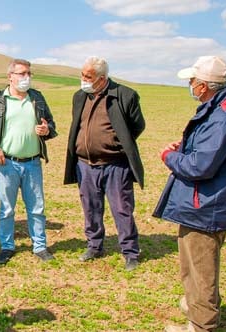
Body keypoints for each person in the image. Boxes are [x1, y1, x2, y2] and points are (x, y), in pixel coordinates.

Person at [154, 56, 226, 332]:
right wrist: (186, 146)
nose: (190, 85)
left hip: (204, 207)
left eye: (192, 81)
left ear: (204, 86)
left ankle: (201, 324)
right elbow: (212, 153)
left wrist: (170, 156)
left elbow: (200, 166)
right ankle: (199, 306)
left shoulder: (221, 119)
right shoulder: (224, 112)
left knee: (200, 269)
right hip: (209, 202)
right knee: (197, 266)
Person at [0, 59, 58, 265]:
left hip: (32, 163)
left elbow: (50, 123)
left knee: (37, 207)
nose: (26, 77)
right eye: (21, 74)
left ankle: (40, 246)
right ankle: (7, 246)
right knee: (7, 208)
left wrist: (47, 130)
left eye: (29, 73)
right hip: (6, 164)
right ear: (10, 76)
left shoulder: (37, 98)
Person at [63, 56, 145, 271]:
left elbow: (137, 126)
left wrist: (116, 143)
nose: (83, 79)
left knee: (122, 209)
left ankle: (130, 252)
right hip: (84, 165)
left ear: (102, 78)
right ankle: (94, 246)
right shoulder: (79, 96)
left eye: (87, 76)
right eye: (82, 74)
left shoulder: (124, 95)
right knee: (90, 208)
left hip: (115, 165)